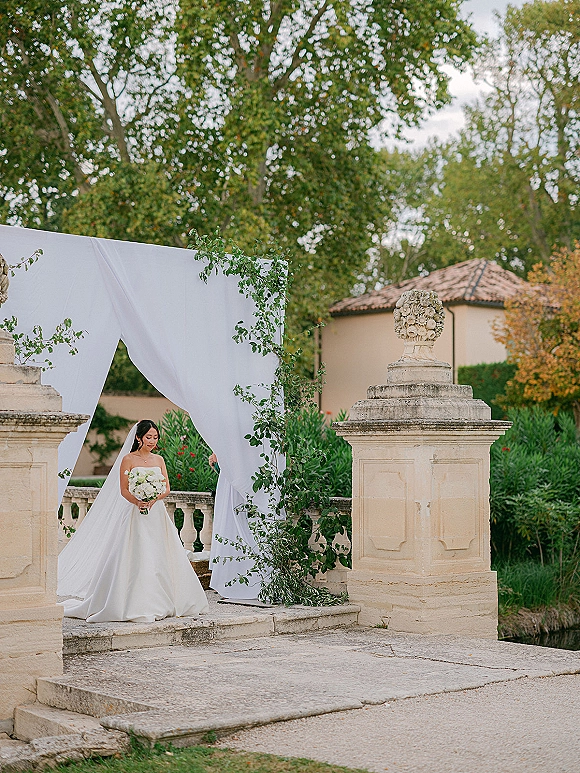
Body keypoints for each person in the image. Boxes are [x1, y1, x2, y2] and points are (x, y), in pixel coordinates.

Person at [58, 420, 209, 623]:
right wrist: (138, 501)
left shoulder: (159, 459)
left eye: (155, 437)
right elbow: (123, 490)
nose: (152, 441)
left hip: (156, 514)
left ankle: (168, 599)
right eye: (149, 437)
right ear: (139, 437)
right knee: (136, 553)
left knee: (160, 552)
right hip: (135, 513)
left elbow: (166, 488)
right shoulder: (128, 459)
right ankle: (132, 601)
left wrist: (153, 499)